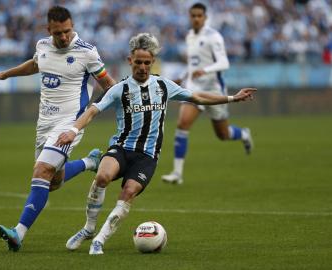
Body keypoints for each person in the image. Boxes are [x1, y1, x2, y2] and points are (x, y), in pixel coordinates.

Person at [54, 33, 256, 255]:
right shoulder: (119, 89)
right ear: (130, 61)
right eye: (138, 62)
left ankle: (99, 240)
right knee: (102, 176)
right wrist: (73, 130)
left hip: (147, 157)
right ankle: (88, 229)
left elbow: (197, 97)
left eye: (147, 62)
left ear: (152, 62)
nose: (142, 67)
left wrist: (231, 98)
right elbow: (93, 110)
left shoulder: (163, 85)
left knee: (128, 192)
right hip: (121, 148)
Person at [0, 6, 116, 252]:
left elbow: (110, 85)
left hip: (69, 125)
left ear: (72, 26)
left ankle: (18, 233)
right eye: (58, 33)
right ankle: (90, 162)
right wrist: (4, 74)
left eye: (67, 31)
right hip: (43, 124)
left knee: (41, 171)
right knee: (52, 181)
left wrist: (93, 112)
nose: (64, 37)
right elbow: (35, 65)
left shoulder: (87, 53)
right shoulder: (42, 45)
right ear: (49, 30)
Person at [161, 3, 254, 185]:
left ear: (205, 17)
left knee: (223, 134)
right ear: (190, 17)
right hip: (194, 89)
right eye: (193, 15)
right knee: (182, 123)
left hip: (214, 90)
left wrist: (205, 70)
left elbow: (224, 63)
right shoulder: (189, 36)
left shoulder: (214, 37)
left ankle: (243, 134)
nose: (196, 19)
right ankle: (177, 173)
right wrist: (182, 77)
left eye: (199, 16)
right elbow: (192, 65)